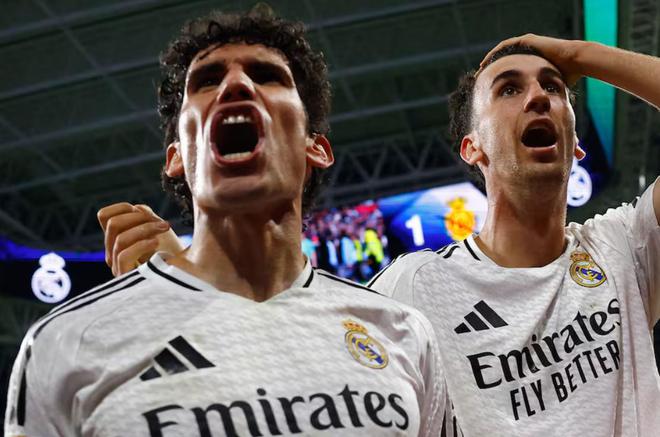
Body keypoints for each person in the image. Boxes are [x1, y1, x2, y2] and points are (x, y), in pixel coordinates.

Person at [101, 34, 660, 436]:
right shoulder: (416, 287)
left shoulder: (624, 248)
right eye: (508, 90)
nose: (537, 97)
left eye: (553, 89)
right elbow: (287, 392)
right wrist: (189, 293)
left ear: (574, 143)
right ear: (473, 148)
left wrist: (577, 55)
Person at [4, 9, 445, 436]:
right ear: (176, 157)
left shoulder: (399, 331)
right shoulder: (68, 343)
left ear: (316, 148)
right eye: (207, 80)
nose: (236, 84)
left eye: (267, 76)